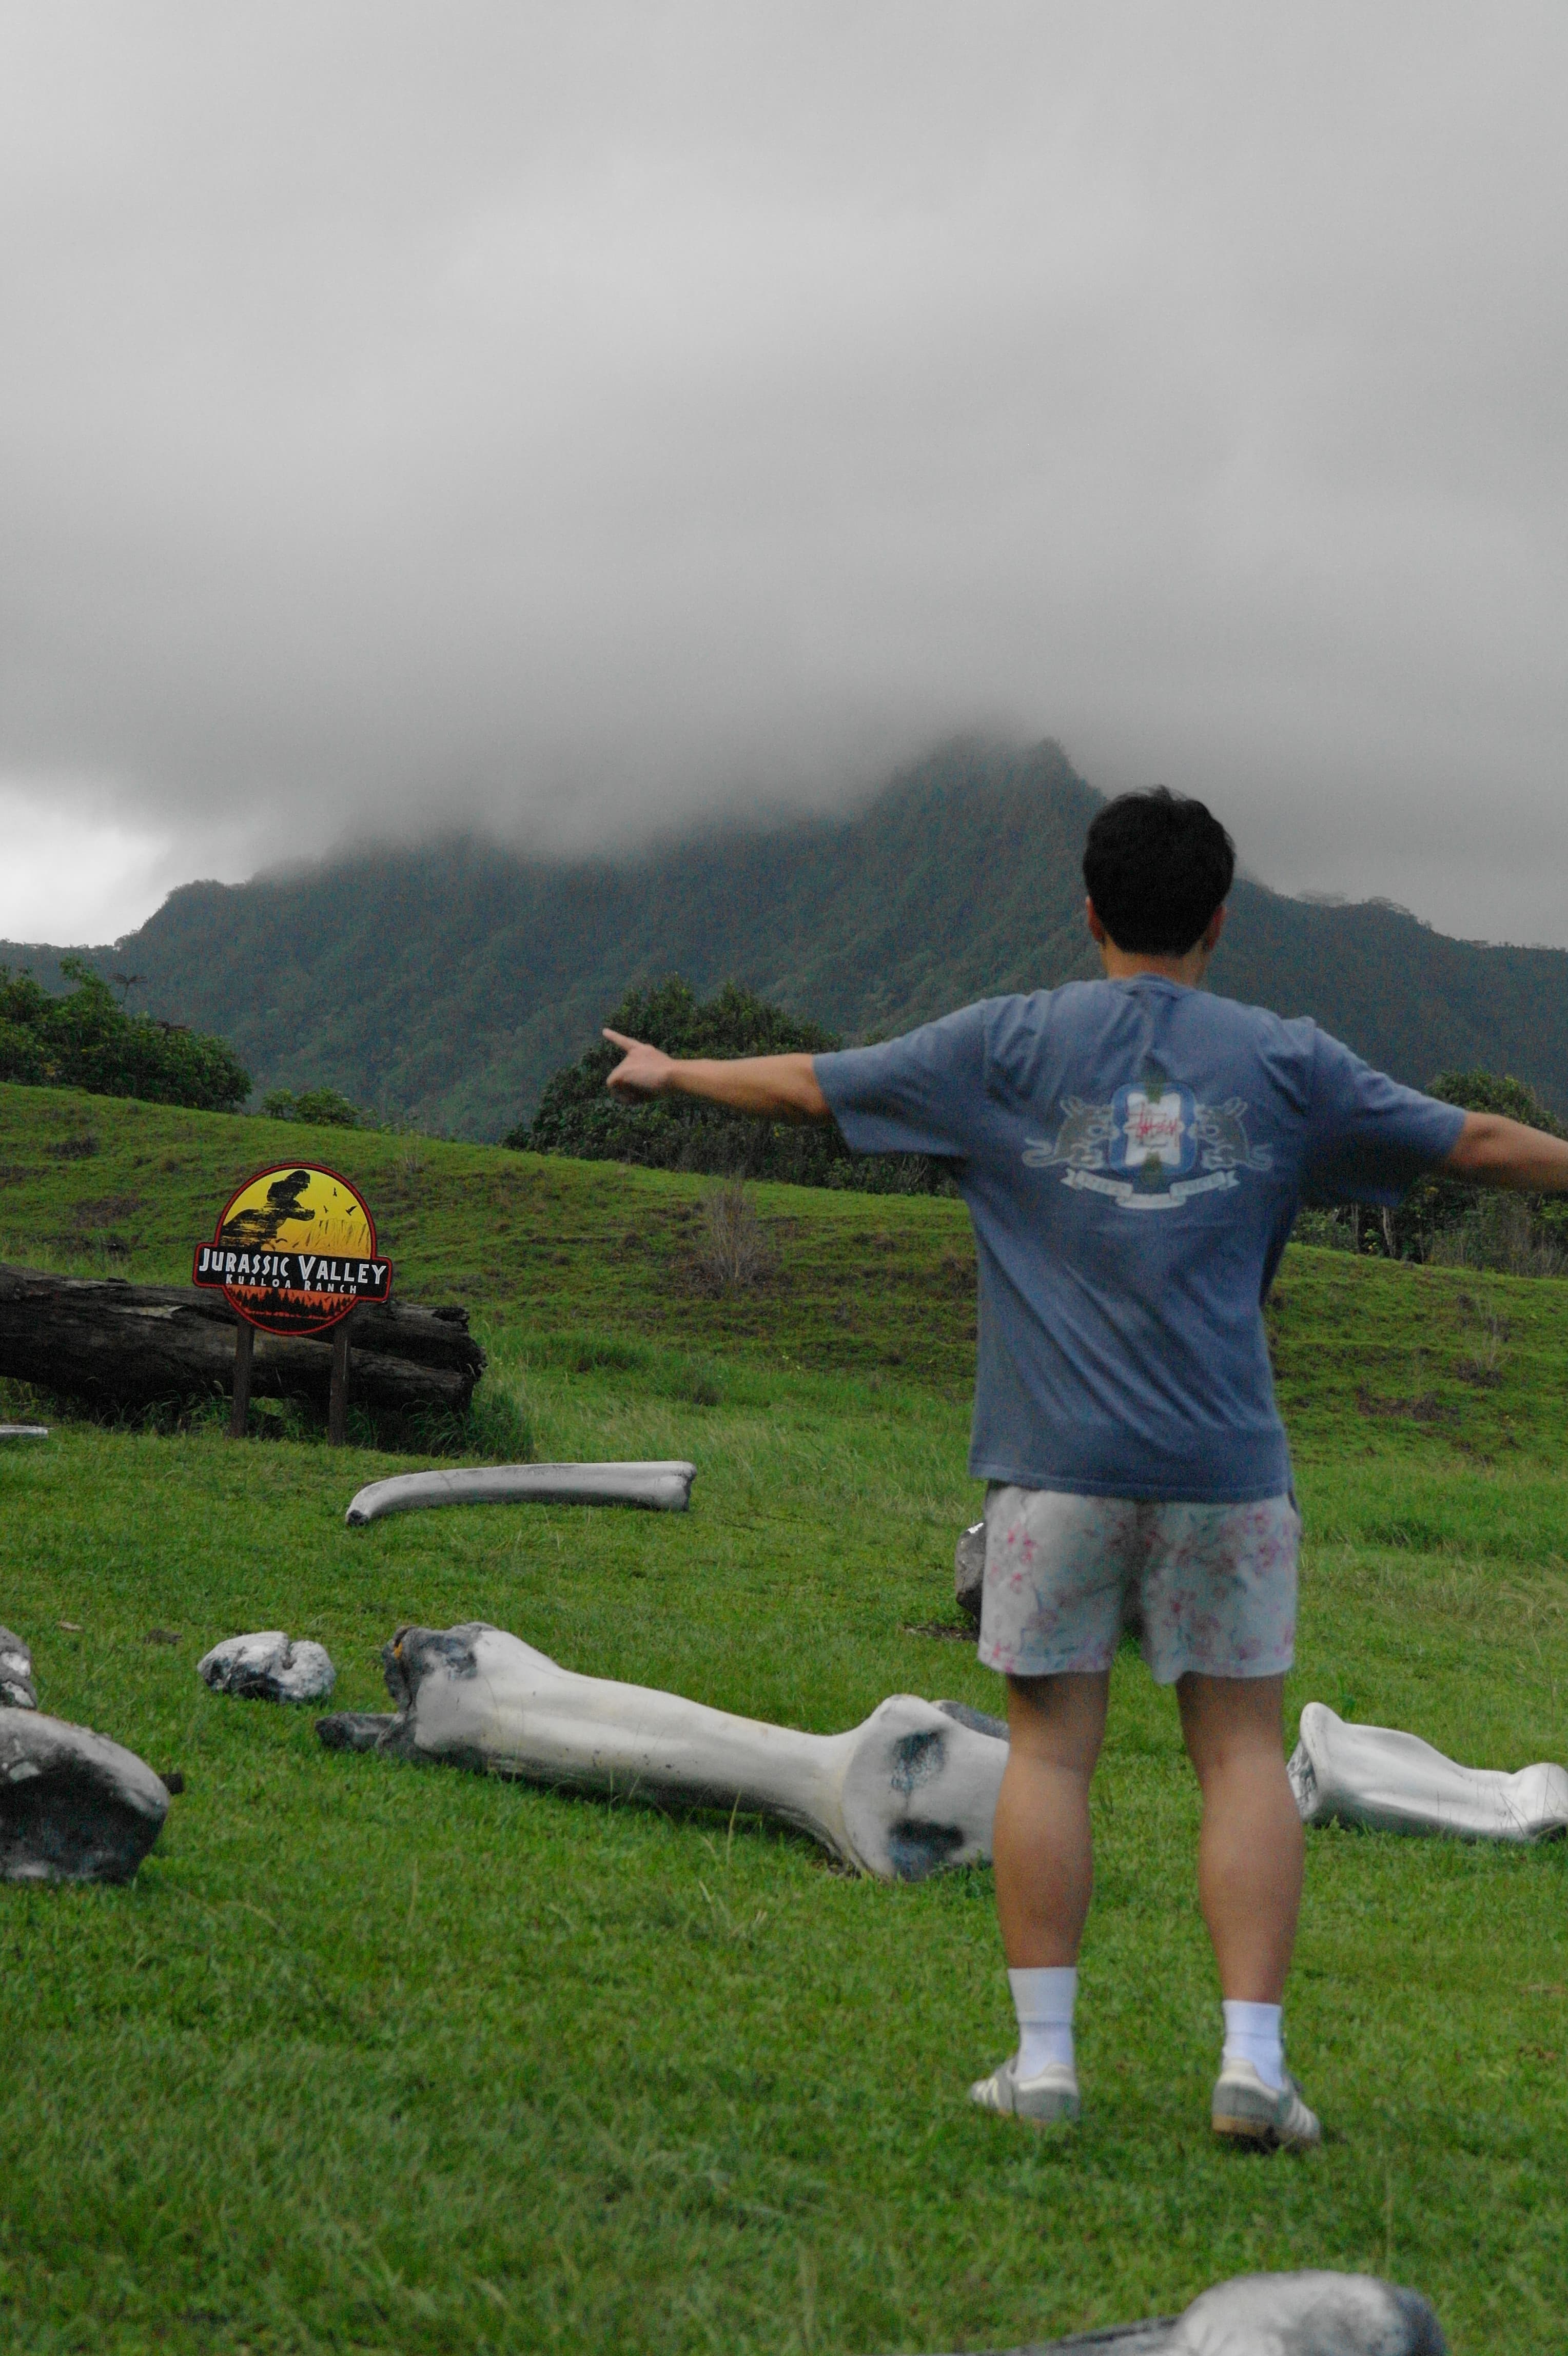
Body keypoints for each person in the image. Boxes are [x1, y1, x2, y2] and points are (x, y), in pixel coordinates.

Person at [602, 787, 1568, 2150]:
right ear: (1220, 920)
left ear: (1091, 912)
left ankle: (1045, 2067)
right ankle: (1252, 2067)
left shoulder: (1005, 1044)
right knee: (1241, 1758)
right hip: (1229, 1473)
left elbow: (817, 1085)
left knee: (1051, 1757)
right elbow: (1472, 1141)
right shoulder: (1287, 1062)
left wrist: (674, 1072)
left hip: (1052, 1474)